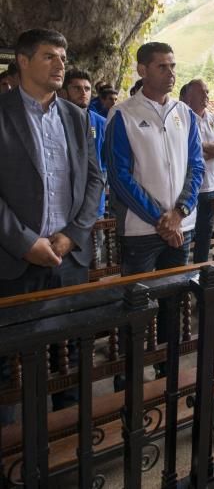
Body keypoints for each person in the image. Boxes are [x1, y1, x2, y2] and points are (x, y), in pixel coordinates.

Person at [0, 28, 103, 415]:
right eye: (49, 56)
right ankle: (12, 459)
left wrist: (72, 235)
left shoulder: (77, 118)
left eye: (63, 56)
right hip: (15, 262)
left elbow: (95, 179)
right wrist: (26, 241)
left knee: (70, 359)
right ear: (23, 61)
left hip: (68, 259)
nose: (60, 63)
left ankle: (69, 448)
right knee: (11, 366)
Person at [105, 41, 204, 381]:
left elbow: (196, 166)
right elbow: (119, 176)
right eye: (162, 66)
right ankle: (129, 372)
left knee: (174, 302)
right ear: (142, 70)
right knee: (136, 304)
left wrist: (180, 212)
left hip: (181, 227)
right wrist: (159, 219)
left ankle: (168, 366)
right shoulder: (123, 114)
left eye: (173, 66)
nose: (171, 73)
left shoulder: (184, 114)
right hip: (140, 232)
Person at [185, 79, 214, 262]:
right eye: (201, 92)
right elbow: (185, 154)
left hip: (211, 186)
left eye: (207, 91)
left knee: (206, 234)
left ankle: (201, 272)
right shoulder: (184, 118)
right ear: (190, 96)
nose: (206, 95)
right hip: (189, 186)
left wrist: (203, 147)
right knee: (186, 233)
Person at [63, 69, 106, 219]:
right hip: (64, 203)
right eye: (76, 88)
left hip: (93, 204)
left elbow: (106, 161)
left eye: (87, 88)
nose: (83, 92)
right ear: (63, 92)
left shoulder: (101, 123)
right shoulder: (55, 121)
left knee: (97, 242)